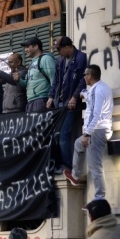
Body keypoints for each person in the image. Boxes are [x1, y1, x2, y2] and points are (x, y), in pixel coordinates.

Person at [64, 64, 114, 200]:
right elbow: (93, 101)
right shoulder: (99, 88)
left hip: (97, 131)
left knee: (95, 166)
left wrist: (87, 134)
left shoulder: (98, 91)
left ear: (90, 76)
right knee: (78, 144)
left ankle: (99, 198)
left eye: (85, 75)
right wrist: (84, 93)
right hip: (99, 129)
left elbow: (95, 115)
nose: (84, 77)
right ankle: (75, 175)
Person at [47, 36, 87, 173]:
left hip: (71, 103)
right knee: (57, 134)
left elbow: (83, 81)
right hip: (60, 102)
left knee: (64, 133)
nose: (58, 52)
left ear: (67, 47)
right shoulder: (59, 61)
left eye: (59, 49)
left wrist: (74, 97)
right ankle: (61, 165)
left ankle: (67, 166)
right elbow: (56, 81)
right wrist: (51, 96)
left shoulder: (81, 58)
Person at [15, 37, 55, 112]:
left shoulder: (46, 59)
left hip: (42, 100)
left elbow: (54, 79)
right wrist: (18, 80)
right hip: (31, 102)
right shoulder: (32, 63)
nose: (25, 50)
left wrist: (51, 97)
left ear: (36, 46)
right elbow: (27, 84)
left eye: (27, 47)